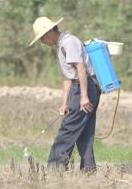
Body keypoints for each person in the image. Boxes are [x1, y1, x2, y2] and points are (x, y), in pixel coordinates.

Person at [29, 16, 101, 172]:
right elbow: (68, 77)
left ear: (49, 33)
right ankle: (89, 171)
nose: (42, 42)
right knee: (84, 133)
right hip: (82, 87)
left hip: (85, 87)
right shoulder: (61, 44)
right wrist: (65, 103)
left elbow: (81, 69)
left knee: (67, 130)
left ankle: (55, 169)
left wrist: (83, 96)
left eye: (41, 38)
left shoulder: (69, 42)